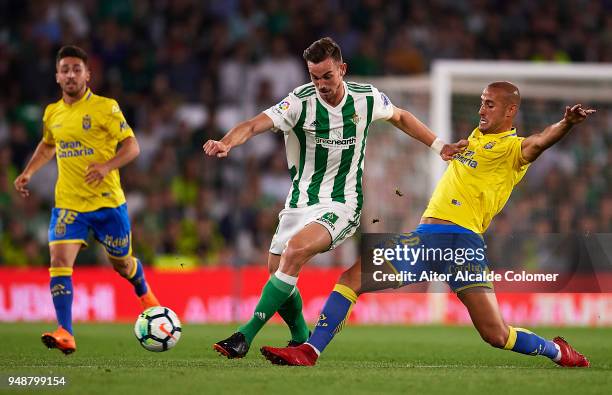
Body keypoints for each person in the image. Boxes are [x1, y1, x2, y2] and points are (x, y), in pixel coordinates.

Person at [260, 81, 594, 368]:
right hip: (425, 239)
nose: (482, 109)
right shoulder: (475, 139)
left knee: (496, 334)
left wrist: (565, 124)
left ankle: (556, 350)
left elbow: (540, 141)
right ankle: (309, 350)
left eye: (490, 104)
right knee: (351, 279)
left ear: (510, 112)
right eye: (481, 101)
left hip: (463, 244)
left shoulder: (512, 149)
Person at [203, 37, 466, 358]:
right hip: (299, 201)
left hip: (343, 203)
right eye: (315, 77)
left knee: (295, 252)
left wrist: (441, 147)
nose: (321, 84)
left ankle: (244, 336)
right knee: (277, 271)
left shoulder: (366, 98)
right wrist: (228, 142)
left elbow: (401, 116)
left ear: (342, 69)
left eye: (327, 76)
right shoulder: (299, 102)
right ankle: (301, 336)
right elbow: (253, 124)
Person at [13, 45, 160, 355]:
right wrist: (28, 172)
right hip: (68, 205)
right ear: (56, 76)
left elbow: (132, 147)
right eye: (64, 69)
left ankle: (144, 292)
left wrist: (107, 166)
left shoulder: (106, 108)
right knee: (59, 261)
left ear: (88, 74)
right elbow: (47, 145)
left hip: (108, 204)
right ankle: (66, 331)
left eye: (76, 69)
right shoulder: (52, 113)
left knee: (121, 263)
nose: (70, 74)